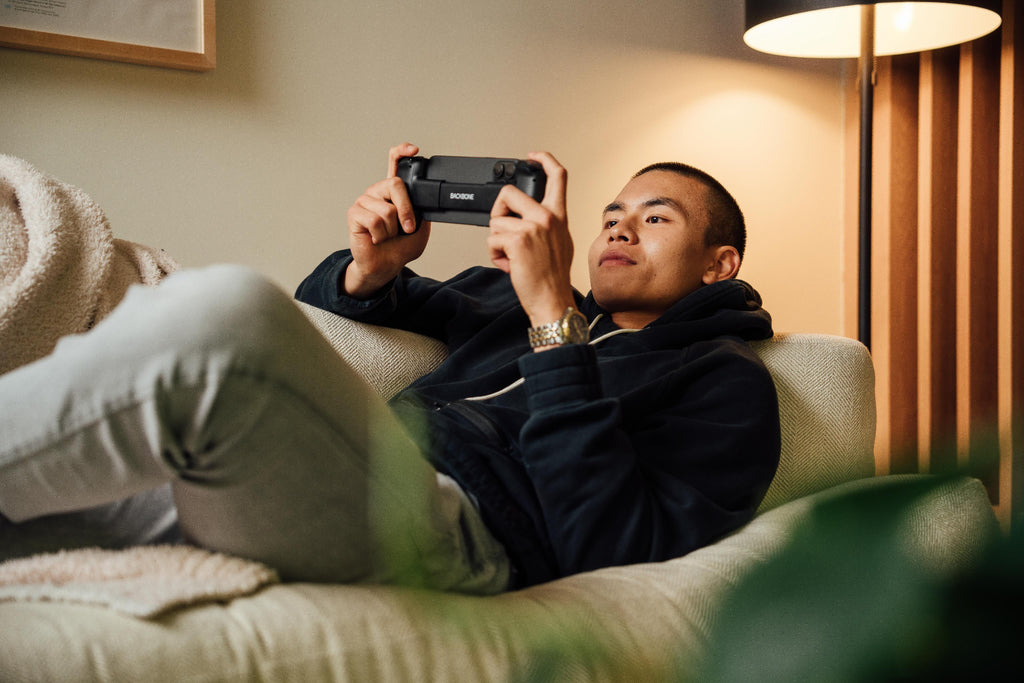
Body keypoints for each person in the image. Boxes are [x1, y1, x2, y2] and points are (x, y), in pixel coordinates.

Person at [0, 145, 779, 594]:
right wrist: (370, 268)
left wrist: (554, 324)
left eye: (655, 218)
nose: (619, 228)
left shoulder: (727, 381)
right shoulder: (507, 298)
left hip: (456, 530)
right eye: (612, 214)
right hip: (347, 470)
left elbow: (610, 547)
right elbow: (325, 305)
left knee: (229, 311)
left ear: (720, 263)